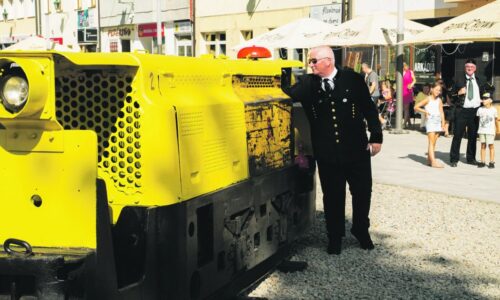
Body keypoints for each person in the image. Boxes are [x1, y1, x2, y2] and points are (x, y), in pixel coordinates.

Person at [282, 46, 382, 255]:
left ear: (328, 61)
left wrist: (376, 137)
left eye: (313, 61)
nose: (310, 65)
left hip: (356, 150)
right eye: (310, 61)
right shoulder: (309, 84)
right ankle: (335, 236)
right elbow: (288, 93)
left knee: (362, 193)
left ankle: (361, 230)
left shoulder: (352, 79)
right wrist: (285, 72)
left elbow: (369, 109)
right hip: (327, 152)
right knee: (333, 196)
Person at [450, 59, 486, 167]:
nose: (469, 68)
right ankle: (454, 159)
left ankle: (471, 158)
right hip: (462, 111)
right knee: (457, 136)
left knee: (473, 136)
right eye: (467, 67)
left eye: (471, 67)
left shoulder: (480, 79)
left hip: (475, 112)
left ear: (475, 68)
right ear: (465, 68)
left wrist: (486, 99)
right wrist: (458, 93)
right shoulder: (457, 79)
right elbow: (450, 95)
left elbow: (488, 90)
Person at [414, 82, 445, 168]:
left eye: (439, 90)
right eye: (436, 90)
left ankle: (429, 160)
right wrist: (425, 112)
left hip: (438, 122)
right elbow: (416, 107)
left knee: (434, 142)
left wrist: (443, 123)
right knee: (431, 142)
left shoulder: (439, 100)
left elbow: (441, 112)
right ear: (432, 89)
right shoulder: (428, 99)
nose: (438, 92)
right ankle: (434, 162)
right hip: (430, 122)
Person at [476, 93, 497, 168]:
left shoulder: (494, 110)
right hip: (482, 131)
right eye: (483, 98)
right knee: (482, 146)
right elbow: (479, 120)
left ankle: (491, 162)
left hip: (490, 131)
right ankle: (482, 162)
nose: (483, 100)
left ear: (490, 100)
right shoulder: (480, 109)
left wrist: (497, 130)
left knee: (491, 146)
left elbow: (496, 120)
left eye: (485, 98)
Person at [403, 62, 416, 128]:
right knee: (405, 108)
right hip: (401, 90)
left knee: (406, 108)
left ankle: (404, 123)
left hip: (408, 90)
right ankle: (409, 122)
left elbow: (414, 80)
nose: (404, 67)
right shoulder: (400, 73)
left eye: (405, 65)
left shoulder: (410, 72)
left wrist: (411, 84)